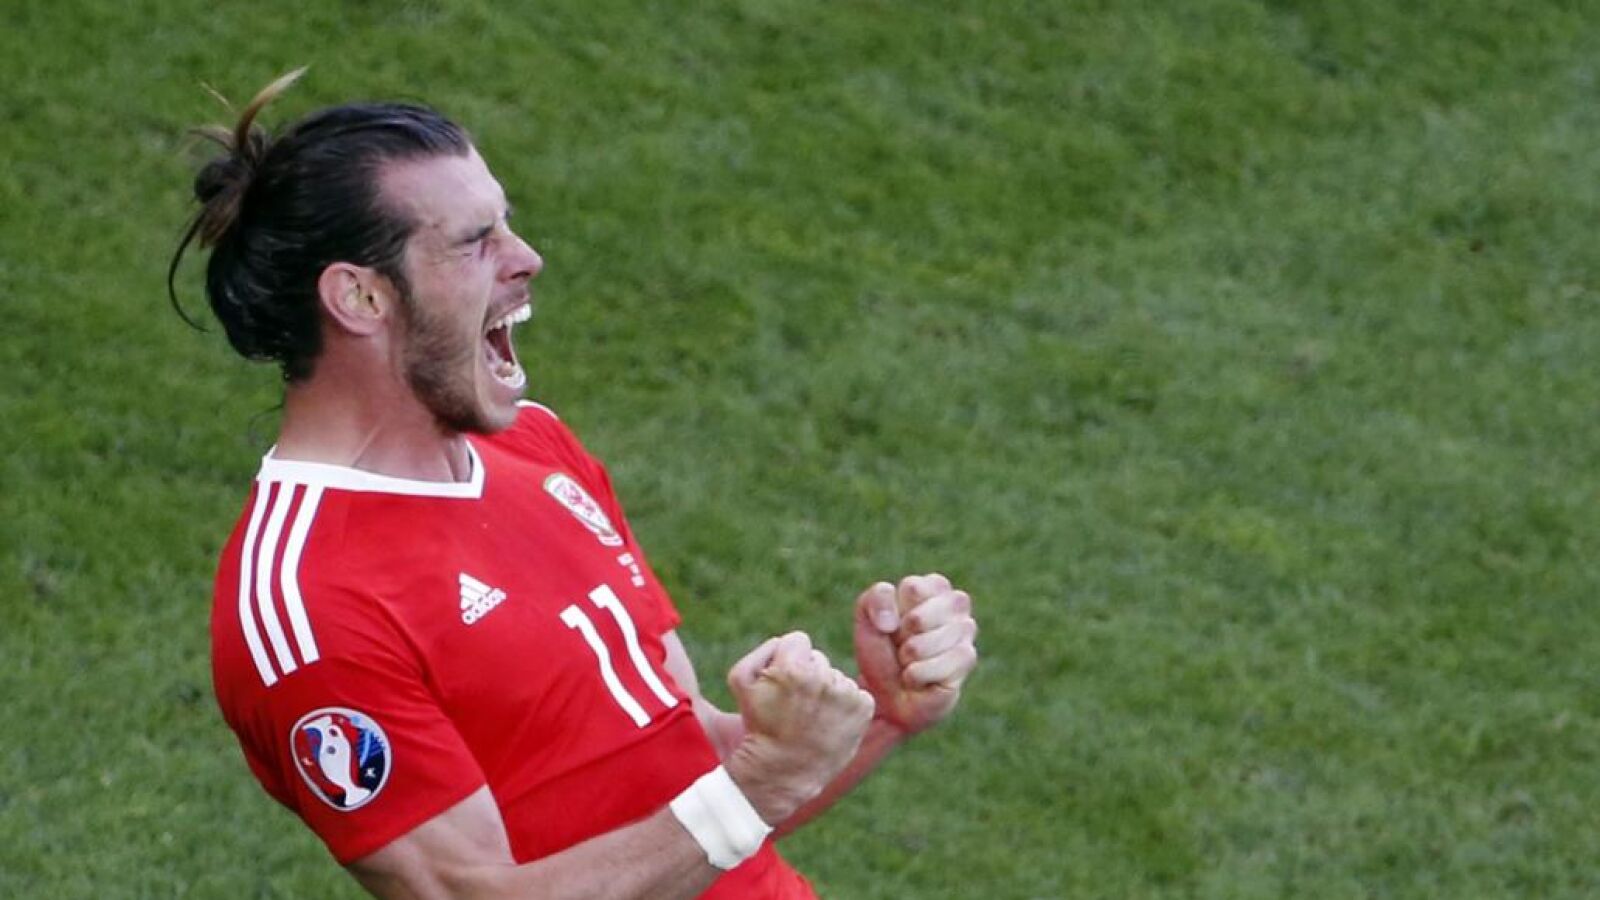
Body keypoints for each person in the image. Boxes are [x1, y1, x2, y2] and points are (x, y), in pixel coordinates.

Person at [172, 70, 979, 899]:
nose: (528, 258)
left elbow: (694, 780)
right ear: (361, 296)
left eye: (508, 223)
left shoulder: (534, 445)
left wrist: (884, 711)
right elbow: (471, 893)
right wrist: (760, 784)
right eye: (474, 242)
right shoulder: (308, 602)